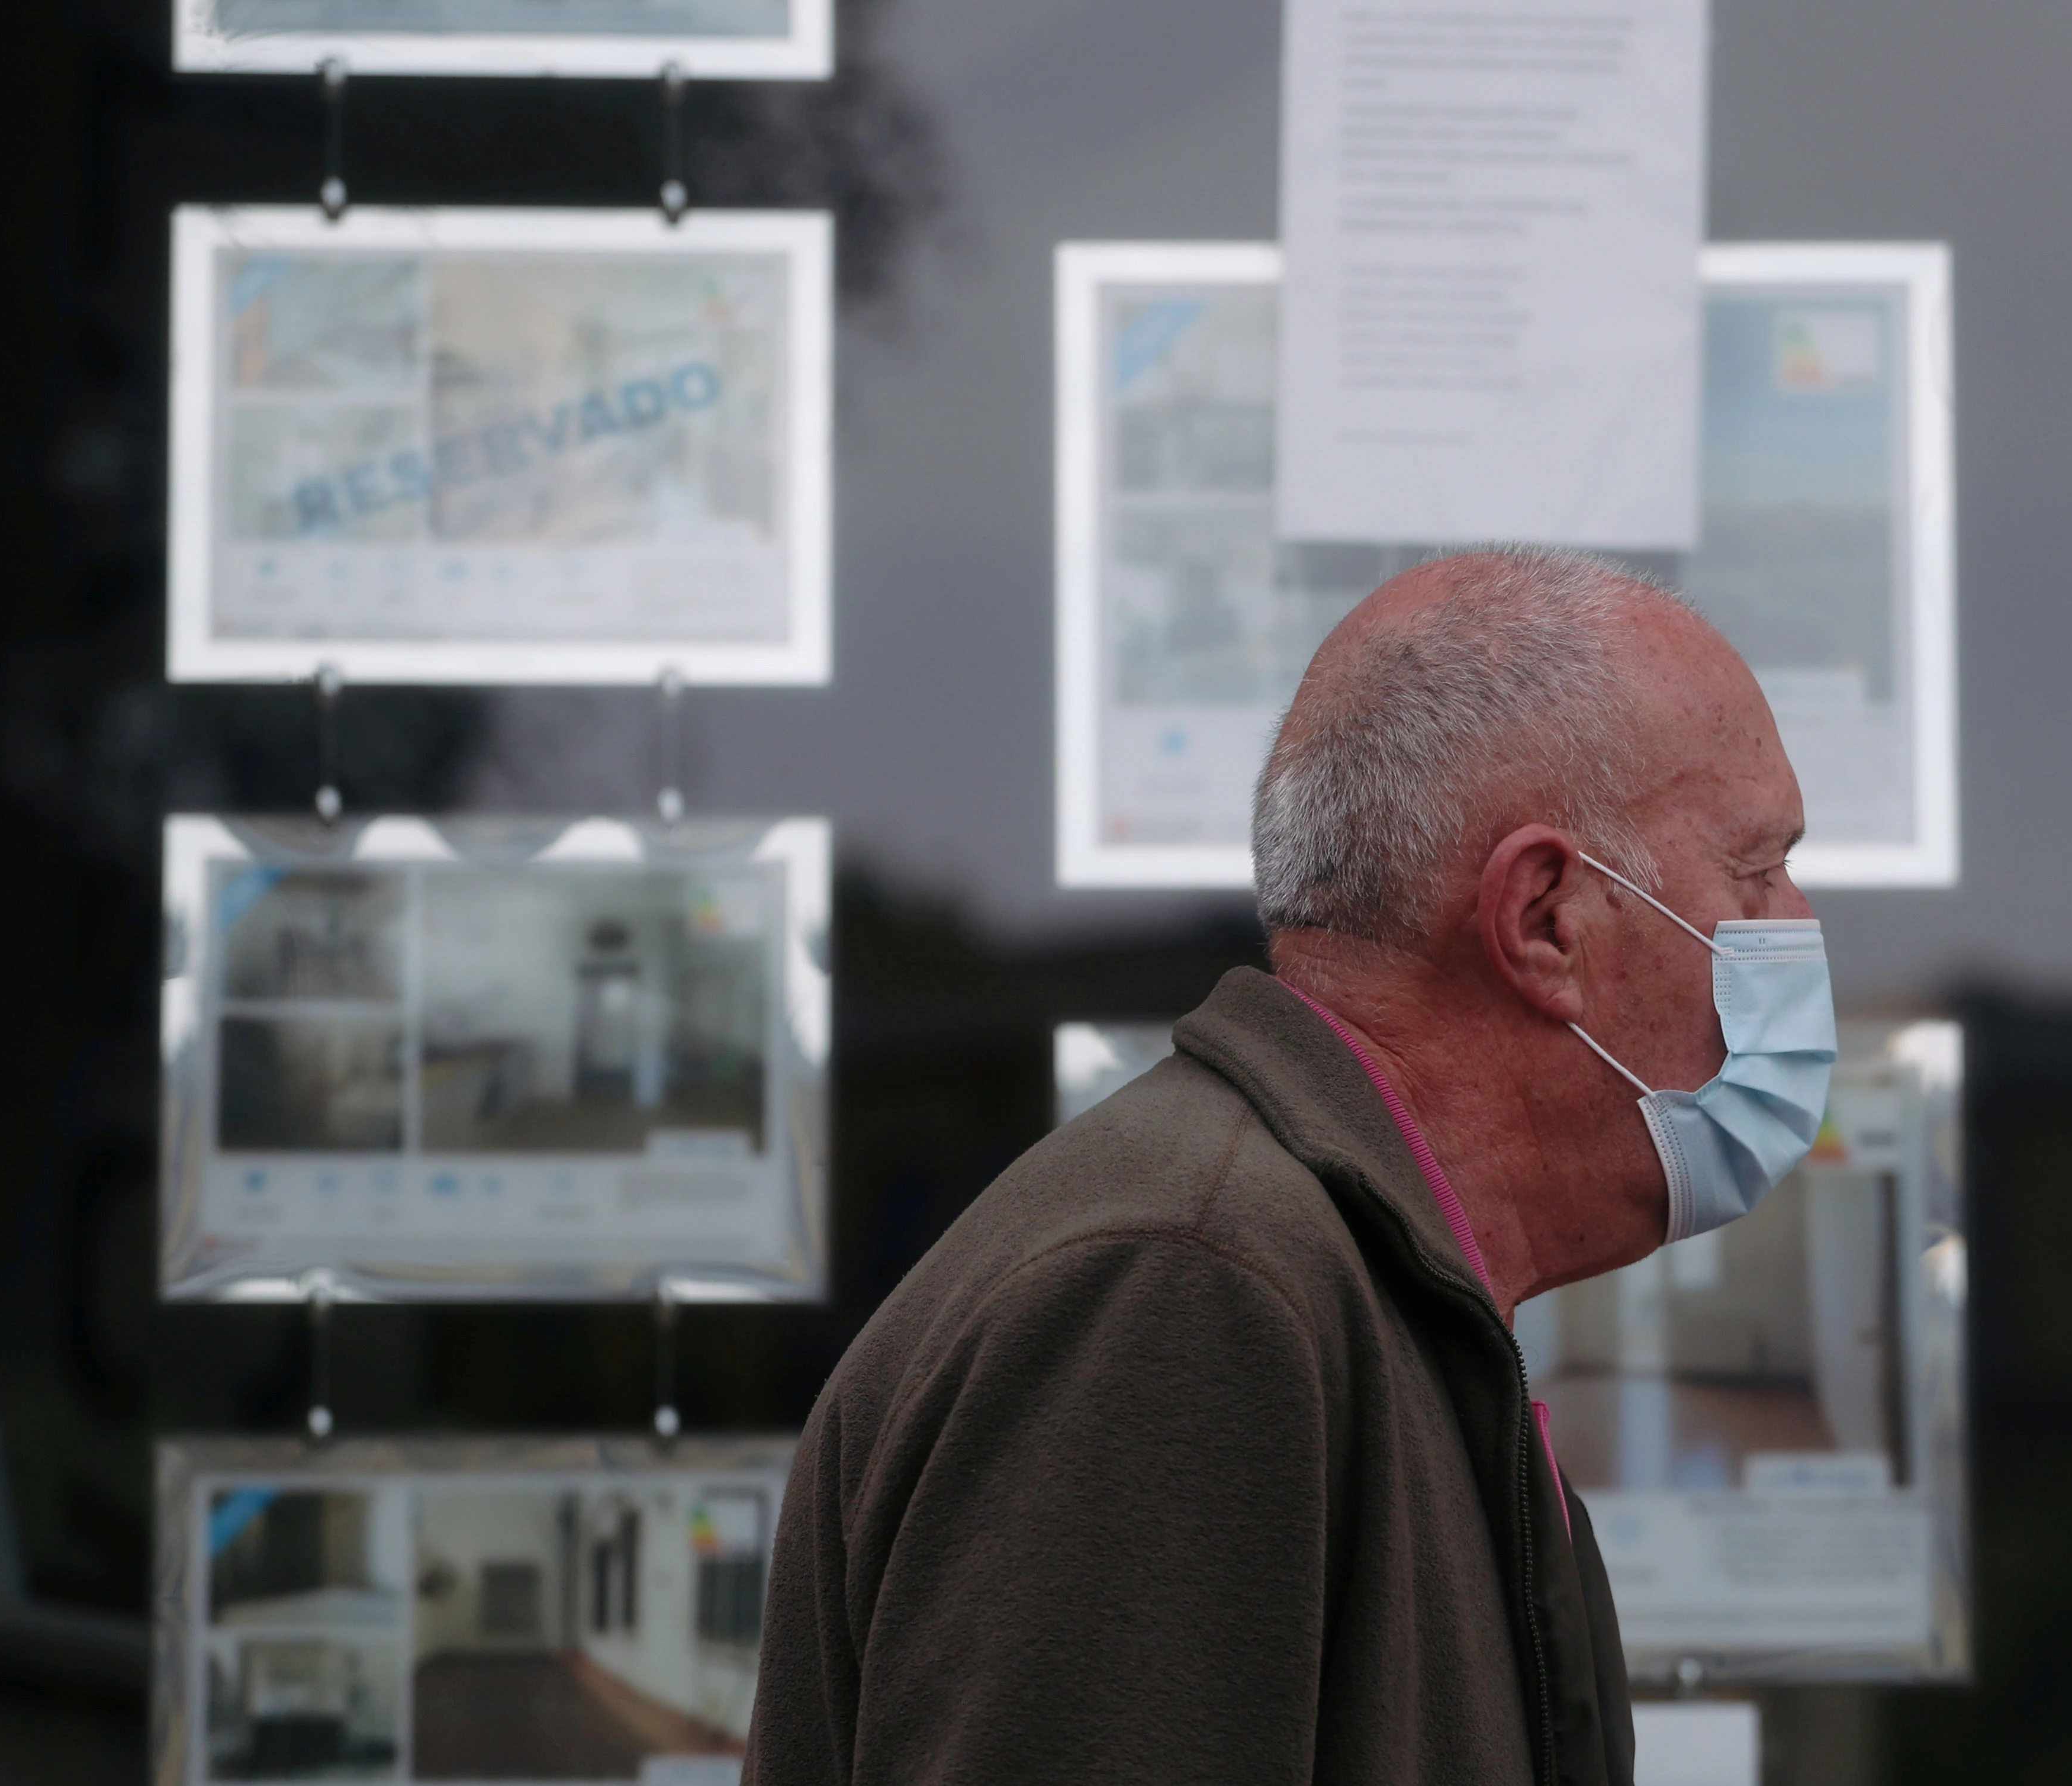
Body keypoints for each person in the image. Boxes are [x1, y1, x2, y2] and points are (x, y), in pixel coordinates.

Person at [741, 547, 1834, 1785]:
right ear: (1543, 919)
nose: (1795, 927)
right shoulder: (1184, 1291)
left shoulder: (1342, 1288)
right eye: (1758, 868)